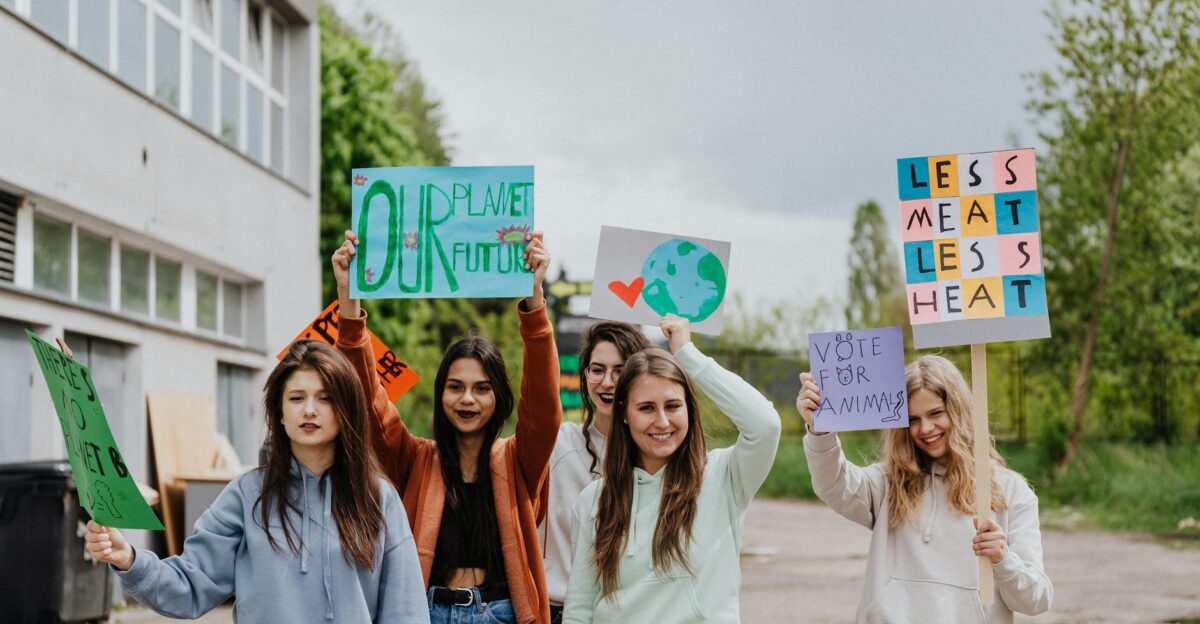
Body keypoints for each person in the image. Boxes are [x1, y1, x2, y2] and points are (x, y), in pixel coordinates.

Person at [84, 340, 428, 623]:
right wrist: (128, 558)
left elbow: (406, 611)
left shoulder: (378, 499)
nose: (309, 409)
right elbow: (190, 584)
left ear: (346, 411)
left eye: (325, 398)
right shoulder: (247, 495)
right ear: (279, 413)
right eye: (296, 398)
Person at [331, 230, 561, 624]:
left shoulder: (519, 460)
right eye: (455, 387)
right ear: (441, 395)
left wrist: (534, 299)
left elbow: (544, 408)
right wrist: (349, 303)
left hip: (502, 613)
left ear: (498, 397)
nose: (467, 399)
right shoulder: (416, 459)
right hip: (426, 612)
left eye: (481, 388)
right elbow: (369, 406)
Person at [796, 354, 1053, 623]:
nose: (925, 428)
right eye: (913, 419)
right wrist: (820, 430)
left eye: (936, 414)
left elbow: (1037, 599)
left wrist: (1003, 559)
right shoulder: (888, 482)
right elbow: (833, 485)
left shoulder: (1010, 491)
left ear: (958, 410)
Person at [563, 315, 782, 623]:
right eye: (646, 408)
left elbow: (765, 425)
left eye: (673, 406)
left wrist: (688, 356)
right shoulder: (594, 499)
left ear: (689, 409)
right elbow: (580, 608)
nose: (663, 422)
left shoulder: (722, 477)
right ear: (624, 414)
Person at [544, 322, 650, 623]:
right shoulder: (558, 444)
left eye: (620, 370)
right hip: (556, 610)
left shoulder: (655, 456)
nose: (607, 382)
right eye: (597, 369)